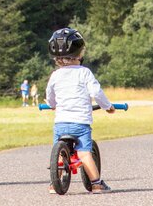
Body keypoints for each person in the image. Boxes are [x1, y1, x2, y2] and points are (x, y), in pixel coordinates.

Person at [45, 28, 115, 193]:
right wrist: (108, 107)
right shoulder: (84, 73)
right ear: (79, 53)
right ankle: (96, 184)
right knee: (84, 153)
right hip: (80, 123)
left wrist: (52, 104)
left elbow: (50, 95)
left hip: (61, 123)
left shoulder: (55, 75)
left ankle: (53, 184)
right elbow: (97, 93)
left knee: (61, 154)